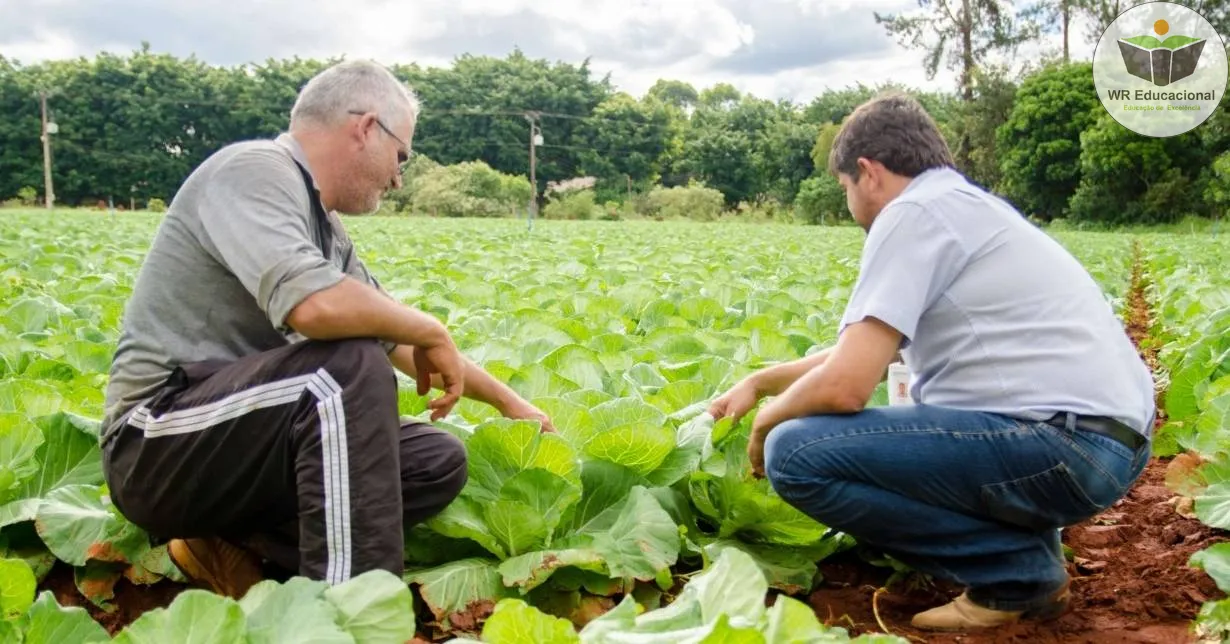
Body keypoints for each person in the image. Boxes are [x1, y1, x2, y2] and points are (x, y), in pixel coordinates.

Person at [100, 59, 554, 599]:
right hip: (154, 442)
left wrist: (510, 404)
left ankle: (229, 547)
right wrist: (430, 326)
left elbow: (398, 338)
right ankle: (350, 611)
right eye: (401, 155)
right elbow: (314, 307)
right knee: (342, 370)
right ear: (365, 129)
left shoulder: (325, 228)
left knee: (434, 461)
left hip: (232, 443)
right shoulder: (253, 170)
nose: (398, 176)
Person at [707, 93, 1154, 632]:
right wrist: (761, 380)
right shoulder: (959, 206)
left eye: (844, 186)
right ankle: (1026, 559)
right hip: (1103, 444)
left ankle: (1018, 574)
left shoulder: (912, 213)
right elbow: (869, 351)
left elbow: (847, 386)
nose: (849, 201)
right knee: (894, 429)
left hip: (1062, 445)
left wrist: (766, 420)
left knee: (796, 452)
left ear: (868, 172)